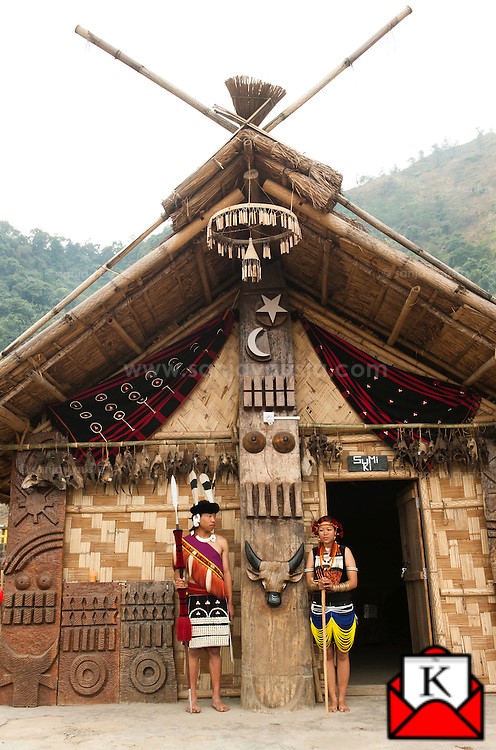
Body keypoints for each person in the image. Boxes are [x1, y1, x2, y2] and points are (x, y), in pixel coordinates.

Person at [174, 498, 234, 713]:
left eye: (214, 516)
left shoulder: (221, 543)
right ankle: (193, 699)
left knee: (215, 650)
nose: (213, 520)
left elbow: (226, 573)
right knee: (193, 651)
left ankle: (216, 698)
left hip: (217, 600)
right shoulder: (184, 544)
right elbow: (179, 572)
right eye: (209, 516)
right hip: (194, 601)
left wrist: (230, 601)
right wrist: (178, 582)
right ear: (198, 519)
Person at [305, 515, 358, 712]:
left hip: (343, 607)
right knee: (326, 654)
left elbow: (353, 582)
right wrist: (317, 585)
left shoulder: (345, 552)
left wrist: (334, 587)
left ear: (336, 532)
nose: (325, 533)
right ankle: (332, 699)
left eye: (329, 529)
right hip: (320, 608)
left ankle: (343, 699)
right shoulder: (313, 553)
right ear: (316, 533)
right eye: (321, 530)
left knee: (343, 653)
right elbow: (308, 584)